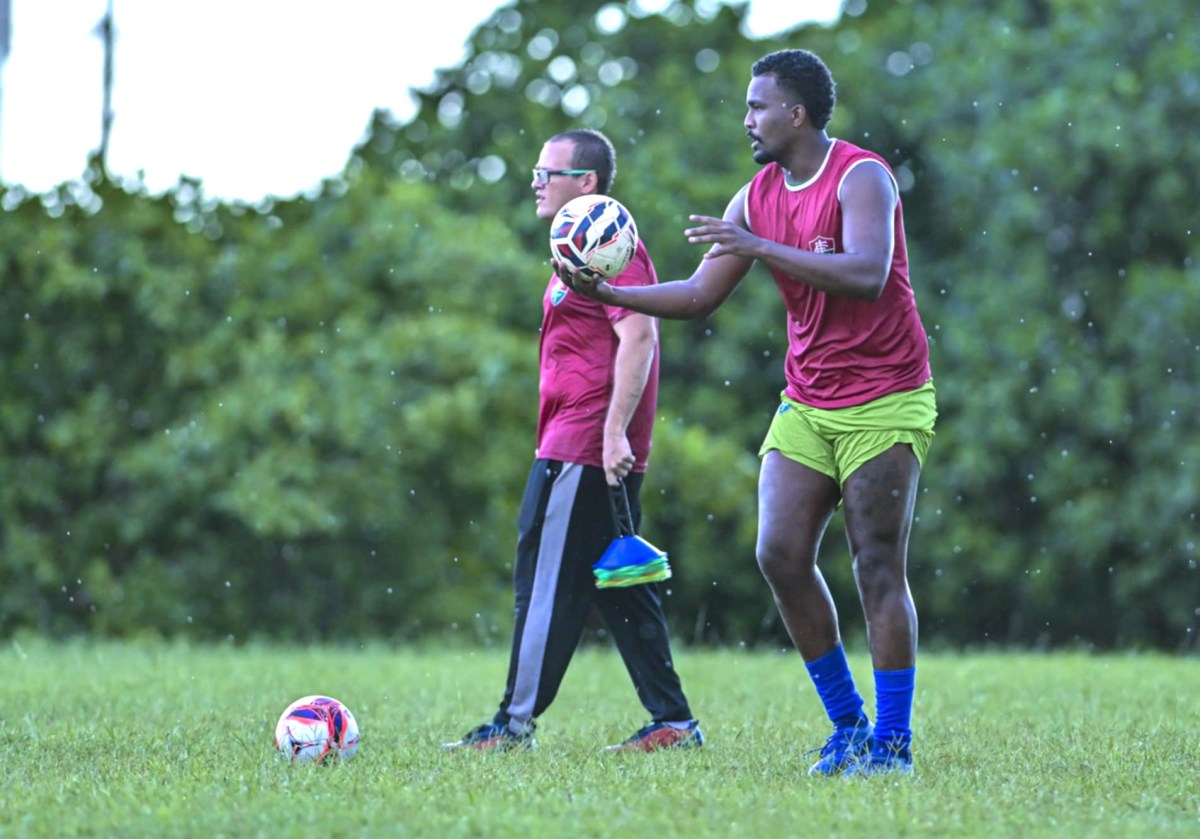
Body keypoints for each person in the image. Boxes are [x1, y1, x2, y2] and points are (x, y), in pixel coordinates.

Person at [557, 50, 935, 777]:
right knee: (779, 553)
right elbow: (700, 297)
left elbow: (867, 272)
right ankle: (849, 725)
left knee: (876, 565)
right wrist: (611, 296)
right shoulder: (754, 195)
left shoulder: (863, 176)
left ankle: (892, 745)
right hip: (808, 399)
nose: (747, 119)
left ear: (796, 113)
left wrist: (763, 246)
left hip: (886, 395)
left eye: (758, 106)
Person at [442, 128, 703, 753]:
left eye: (547, 172)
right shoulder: (577, 246)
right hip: (580, 443)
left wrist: (612, 433)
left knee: (545, 586)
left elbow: (640, 336)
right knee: (620, 587)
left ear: (585, 183)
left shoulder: (610, 241)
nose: (536, 181)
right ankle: (673, 723)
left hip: (584, 448)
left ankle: (511, 727)